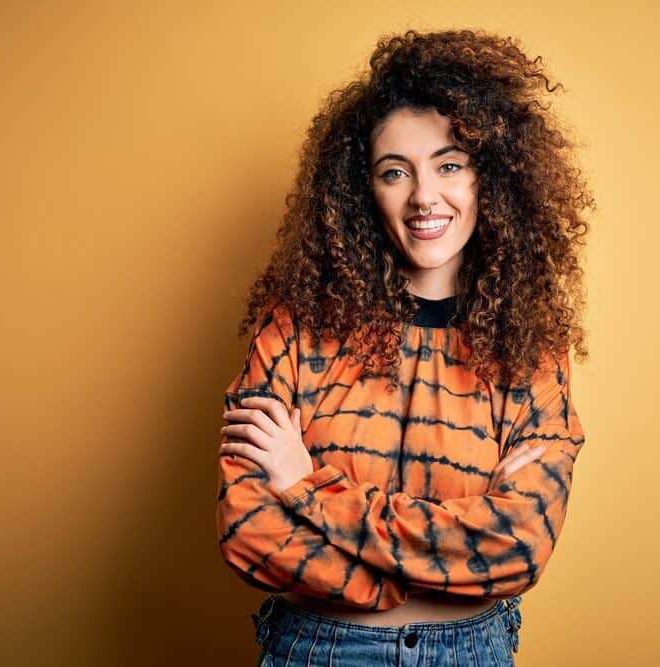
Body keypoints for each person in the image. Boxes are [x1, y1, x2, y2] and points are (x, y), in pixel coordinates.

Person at [215, 28, 592, 666]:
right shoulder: (295, 328)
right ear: (364, 190)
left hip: (470, 652)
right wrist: (419, 573)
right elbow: (249, 529)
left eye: (449, 165)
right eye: (396, 172)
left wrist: (308, 488)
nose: (424, 196)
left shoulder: (530, 348)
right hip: (318, 649)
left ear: (490, 179)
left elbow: (519, 546)